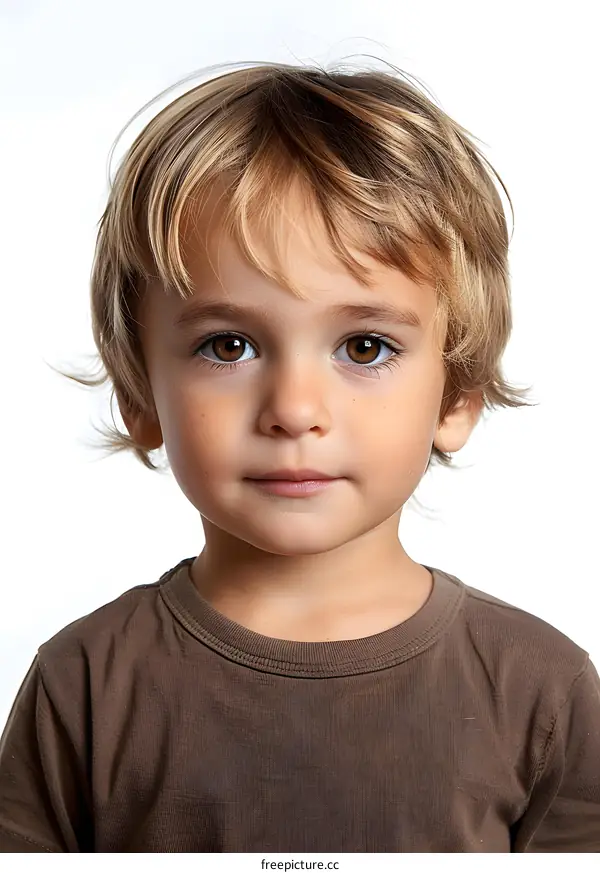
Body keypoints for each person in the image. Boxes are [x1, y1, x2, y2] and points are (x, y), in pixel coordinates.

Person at [1, 61, 598, 854]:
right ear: (140, 396)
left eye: (364, 345)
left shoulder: (540, 689)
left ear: (457, 396)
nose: (294, 410)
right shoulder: (82, 685)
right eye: (230, 344)